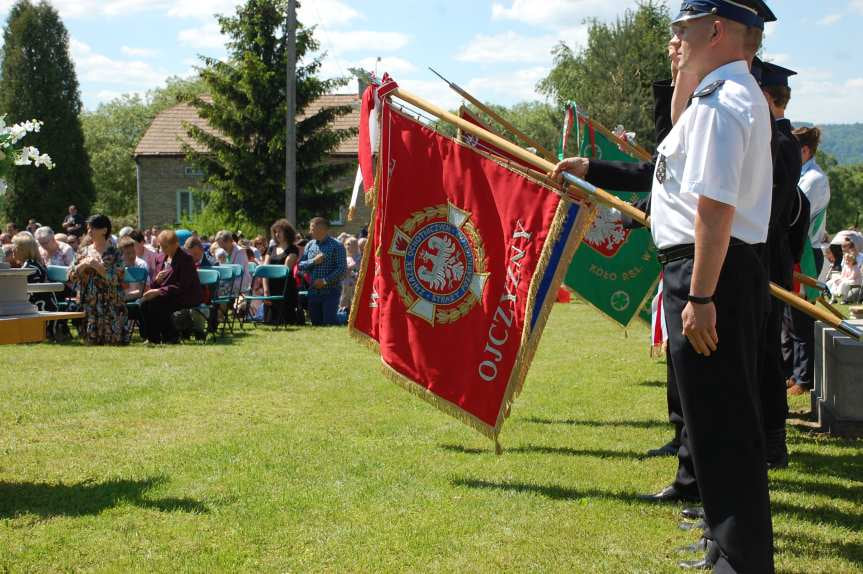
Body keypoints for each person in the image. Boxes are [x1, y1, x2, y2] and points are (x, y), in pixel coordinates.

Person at [613, 2, 774, 571]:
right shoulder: (718, 96)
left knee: (724, 425)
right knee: (713, 422)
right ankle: (725, 546)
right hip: (711, 269)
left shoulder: (722, 102)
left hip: (712, 272)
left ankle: (739, 560)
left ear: (714, 29)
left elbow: (715, 204)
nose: (674, 41)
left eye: (680, 30)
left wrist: (701, 296)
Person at [751, 57, 806, 469]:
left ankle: (772, 441)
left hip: (766, 260)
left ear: (766, 96)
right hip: (764, 258)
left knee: (767, 356)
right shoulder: (773, 139)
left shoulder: (781, 143)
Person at [68, 214, 131, 345]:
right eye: (88, 228)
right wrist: (83, 265)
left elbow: (116, 278)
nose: (89, 231)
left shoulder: (116, 252)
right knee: (90, 342)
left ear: (104, 230)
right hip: (89, 299)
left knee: (114, 342)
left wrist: (98, 266)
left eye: (93, 228)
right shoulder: (83, 251)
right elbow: (70, 275)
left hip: (111, 299)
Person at [138, 230, 203, 344]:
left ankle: (170, 337)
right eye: (160, 246)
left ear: (176, 244)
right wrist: (157, 281)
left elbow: (183, 286)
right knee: (144, 303)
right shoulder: (160, 258)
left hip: (184, 296)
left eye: (165, 246)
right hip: (166, 294)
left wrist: (159, 291)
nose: (162, 249)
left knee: (157, 303)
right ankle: (151, 337)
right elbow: (155, 283)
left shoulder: (186, 259)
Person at [297, 217, 347, 326]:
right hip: (313, 291)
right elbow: (300, 266)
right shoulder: (310, 245)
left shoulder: (337, 246)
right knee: (316, 323)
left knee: (329, 322)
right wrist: (313, 261)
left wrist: (324, 281)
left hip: (331, 291)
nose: (310, 232)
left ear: (322, 229)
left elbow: (342, 269)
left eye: (312, 229)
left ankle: (345, 317)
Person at [262, 218, 300, 325]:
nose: (277, 234)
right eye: (275, 232)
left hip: (286, 286)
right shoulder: (271, 248)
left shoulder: (293, 249)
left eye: (280, 231)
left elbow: (285, 269)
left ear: (287, 232)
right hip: (270, 285)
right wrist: (265, 290)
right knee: (269, 321)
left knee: (286, 320)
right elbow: (264, 269)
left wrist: (270, 270)